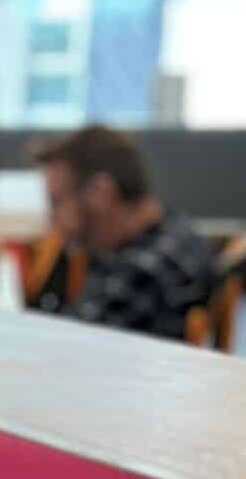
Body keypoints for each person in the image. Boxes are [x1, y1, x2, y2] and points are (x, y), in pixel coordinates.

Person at [32, 125, 216, 339]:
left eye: (57, 202)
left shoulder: (142, 271)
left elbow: (68, 349)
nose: (51, 220)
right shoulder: (169, 225)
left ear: (100, 192)